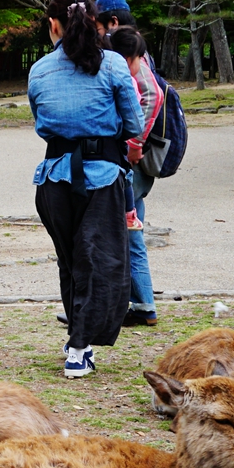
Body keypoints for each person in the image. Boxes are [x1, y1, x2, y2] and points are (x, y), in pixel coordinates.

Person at [27, 0, 142, 379]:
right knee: (95, 261)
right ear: (94, 22)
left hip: (54, 180)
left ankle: (78, 335)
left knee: (71, 261)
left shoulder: (39, 71)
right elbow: (134, 125)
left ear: (53, 24)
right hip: (101, 177)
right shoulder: (111, 65)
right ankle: (79, 347)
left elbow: (42, 125)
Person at [104, 25, 161, 330]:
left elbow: (154, 96)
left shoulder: (131, 74)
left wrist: (135, 143)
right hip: (128, 164)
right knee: (130, 229)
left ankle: (139, 305)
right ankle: (139, 304)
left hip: (129, 163)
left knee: (128, 232)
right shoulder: (123, 69)